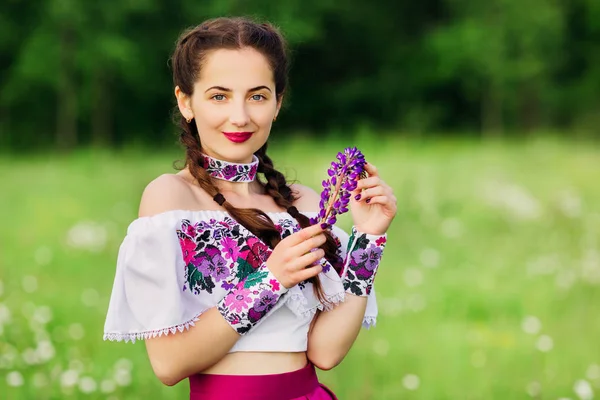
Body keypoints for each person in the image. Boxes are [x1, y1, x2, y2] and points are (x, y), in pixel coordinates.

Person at [103, 16, 397, 400]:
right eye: (219, 96)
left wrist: (367, 241)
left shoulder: (304, 205)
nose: (240, 117)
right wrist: (271, 280)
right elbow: (170, 364)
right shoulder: (171, 200)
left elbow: (325, 353)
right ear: (186, 101)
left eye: (257, 96)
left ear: (278, 102)